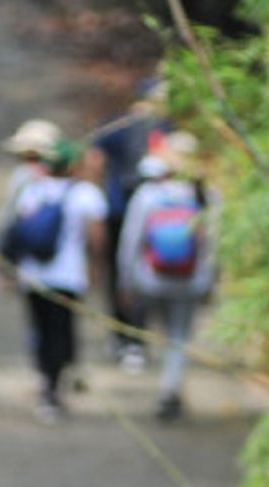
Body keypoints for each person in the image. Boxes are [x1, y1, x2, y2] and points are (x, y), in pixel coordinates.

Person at [0, 132, 108, 424]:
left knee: (41, 330)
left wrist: (8, 267)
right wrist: (96, 267)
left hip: (34, 275)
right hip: (68, 276)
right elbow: (97, 236)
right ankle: (56, 390)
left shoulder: (34, 190)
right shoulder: (85, 194)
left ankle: (46, 385)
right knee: (62, 330)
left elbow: (17, 230)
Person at [114, 133, 218, 421]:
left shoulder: (149, 195)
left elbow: (130, 241)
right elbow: (214, 244)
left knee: (161, 332)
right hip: (192, 280)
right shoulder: (206, 196)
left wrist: (125, 281)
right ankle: (170, 390)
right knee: (179, 336)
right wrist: (212, 282)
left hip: (151, 279)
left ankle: (165, 385)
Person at [92, 75, 169, 371]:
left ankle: (120, 337)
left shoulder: (119, 125)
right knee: (141, 275)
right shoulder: (165, 128)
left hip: (117, 210)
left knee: (119, 276)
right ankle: (136, 341)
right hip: (151, 214)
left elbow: (95, 156)